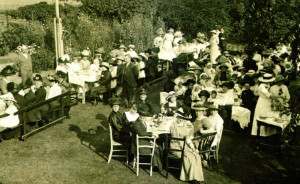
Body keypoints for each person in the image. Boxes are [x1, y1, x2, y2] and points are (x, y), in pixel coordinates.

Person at [169, 117, 205, 183]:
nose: (180, 120)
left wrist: (193, 148)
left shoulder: (185, 125)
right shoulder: (173, 125)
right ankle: (191, 178)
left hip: (184, 146)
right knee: (189, 157)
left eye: (182, 118)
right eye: (179, 118)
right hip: (176, 146)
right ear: (176, 117)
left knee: (197, 156)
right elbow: (177, 139)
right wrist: (185, 149)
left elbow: (187, 138)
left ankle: (197, 178)